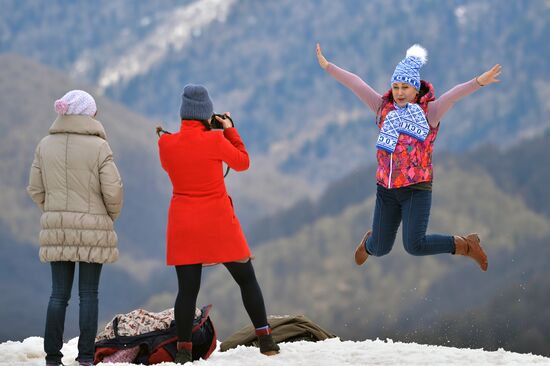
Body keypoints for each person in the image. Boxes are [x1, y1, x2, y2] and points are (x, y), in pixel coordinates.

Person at [316, 43, 501, 271]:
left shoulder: (430, 113)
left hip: (417, 189)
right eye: (396, 87)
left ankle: (465, 245)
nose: (400, 92)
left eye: (405, 87)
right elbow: (356, 83)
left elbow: (452, 96)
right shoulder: (383, 108)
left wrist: (479, 82)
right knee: (380, 247)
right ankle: (369, 243)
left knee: (414, 245)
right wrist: (328, 66)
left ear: (416, 90)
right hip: (387, 189)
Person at [157, 84, 279, 363]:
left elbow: (173, 165)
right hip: (219, 223)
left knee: (187, 290)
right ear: (205, 115)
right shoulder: (216, 141)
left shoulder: (165, 143)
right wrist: (229, 130)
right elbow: (243, 162)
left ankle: (184, 351)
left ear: (183, 114)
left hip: (183, 225)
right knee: (246, 279)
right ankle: (266, 340)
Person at [27, 90, 123, 366]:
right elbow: (113, 191)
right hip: (94, 227)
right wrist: (107, 217)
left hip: (58, 227)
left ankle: (52, 358)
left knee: (58, 295)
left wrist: (54, 211)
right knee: (88, 294)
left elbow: (35, 188)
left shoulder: (45, 145)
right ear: (87, 113)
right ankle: (85, 357)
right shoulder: (99, 147)